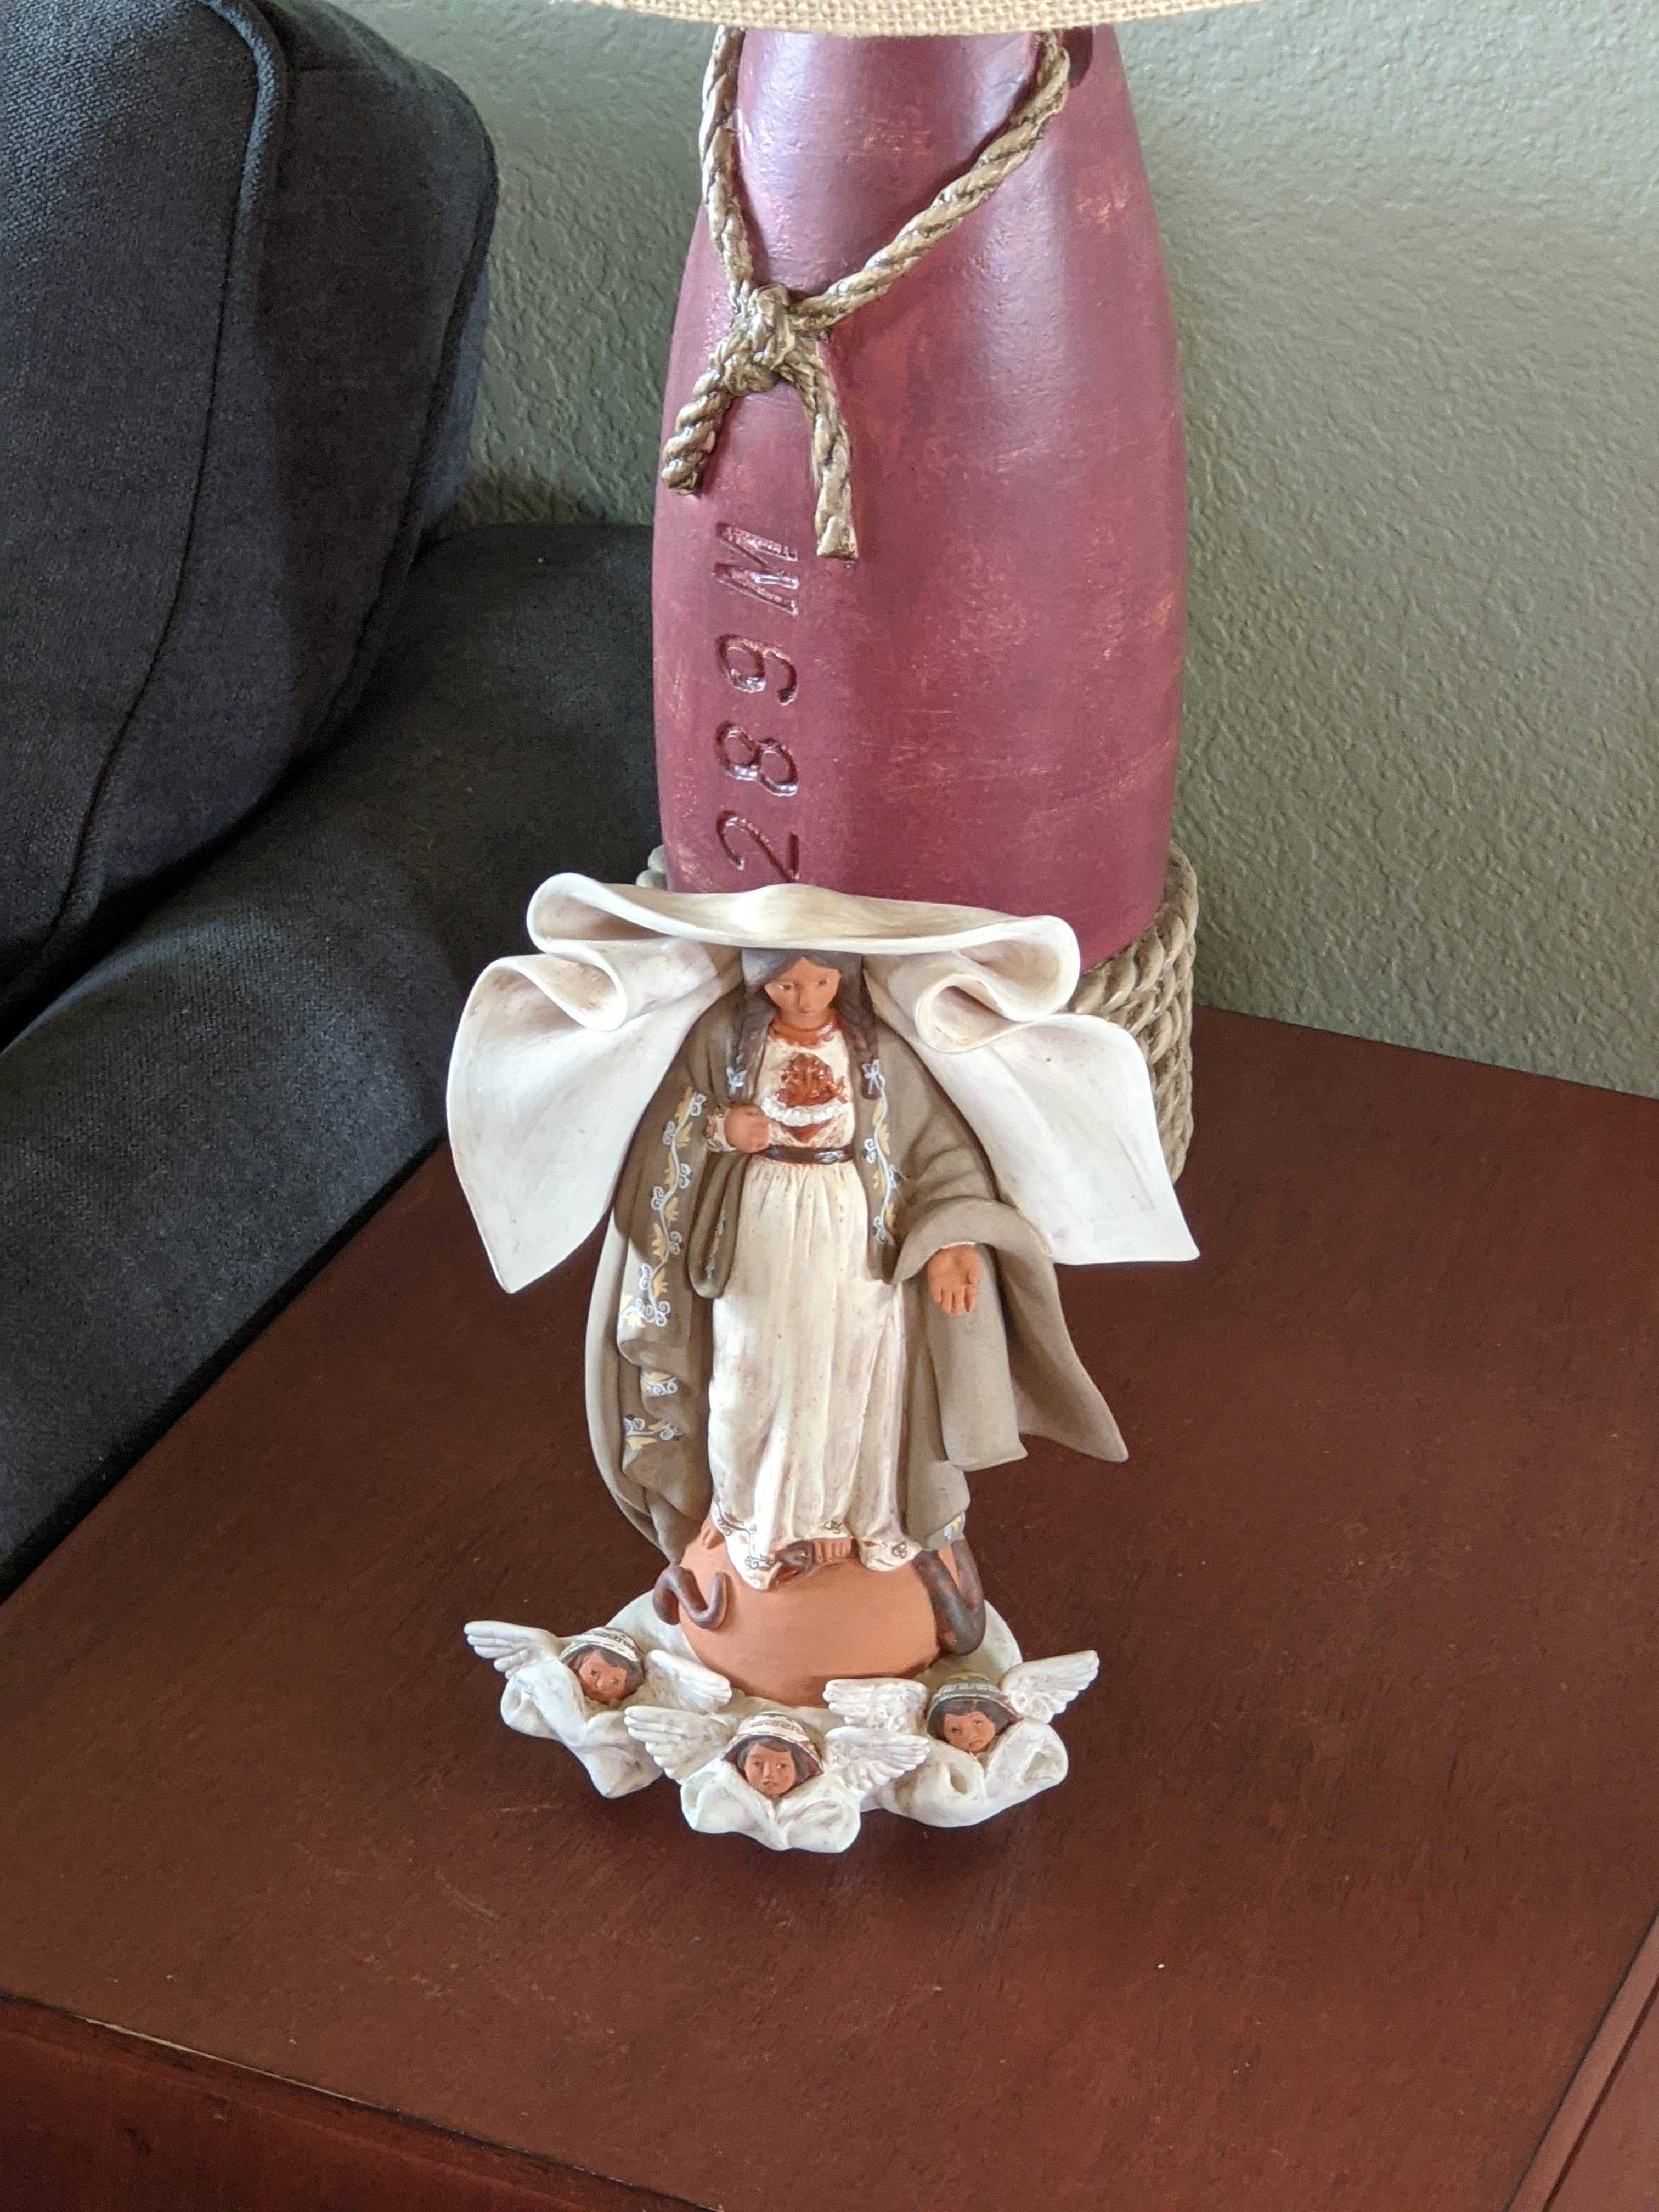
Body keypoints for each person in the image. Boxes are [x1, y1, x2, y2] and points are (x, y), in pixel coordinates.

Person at [596, 947, 1127, 1601]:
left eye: (821, 981)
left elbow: (934, 1147)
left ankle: (846, 1515)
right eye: (786, 985)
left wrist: (950, 1239)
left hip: (856, 1230)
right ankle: (751, 1515)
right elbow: (665, 1133)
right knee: (750, 1373)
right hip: (757, 1229)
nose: (804, 999)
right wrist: (719, 1128)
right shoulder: (724, 1041)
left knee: (858, 1370)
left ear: (844, 978)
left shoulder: (878, 1051)